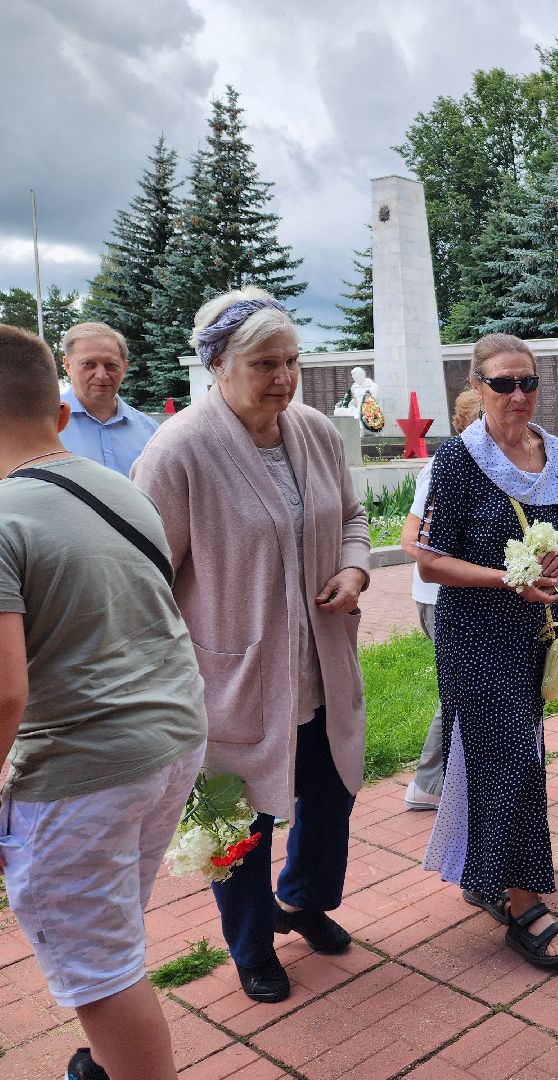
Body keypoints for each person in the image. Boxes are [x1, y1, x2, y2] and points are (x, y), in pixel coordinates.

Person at [131, 287, 370, 1006]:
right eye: (267, 363)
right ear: (218, 365)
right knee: (240, 825)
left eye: (293, 361)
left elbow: (354, 517)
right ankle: (252, 945)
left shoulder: (313, 432)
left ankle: (301, 900)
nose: (286, 378)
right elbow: (144, 579)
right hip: (231, 678)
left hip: (322, 665)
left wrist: (355, 568)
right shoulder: (179, 451)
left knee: (331, 799)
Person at [0, 325, 207, 1080]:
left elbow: (3, 690)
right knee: (110, 930)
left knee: (101, 974)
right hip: (170, 742)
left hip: (80, 771)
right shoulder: (118, 486)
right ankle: (106, 1063)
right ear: (55, 412)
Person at [415, 333, 558, 970]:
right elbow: (429, 561)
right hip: (474, 631)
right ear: (478, 388)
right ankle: (520, 901)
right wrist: (504, 578)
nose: (518, 396)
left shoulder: (557, 454)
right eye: (503, 384)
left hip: (532, 632)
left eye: (528, 383)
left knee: (522, 752)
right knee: (506, 752)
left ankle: (486, 875)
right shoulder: (458, 459)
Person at [399, 388, 483, 810]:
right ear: (466, 427)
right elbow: (411, 540)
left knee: (467, 689)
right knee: (459, 691)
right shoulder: (445, 467)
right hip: (441, 597)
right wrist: (447, 563)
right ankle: (429, 784)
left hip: (464, 595)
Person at [57, 321, 159, 477]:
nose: (101, 375)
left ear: (124, 368)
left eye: (111, 365)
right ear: (67, 365)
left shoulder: (150, 432)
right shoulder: (44, 426)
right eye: (88, 364)